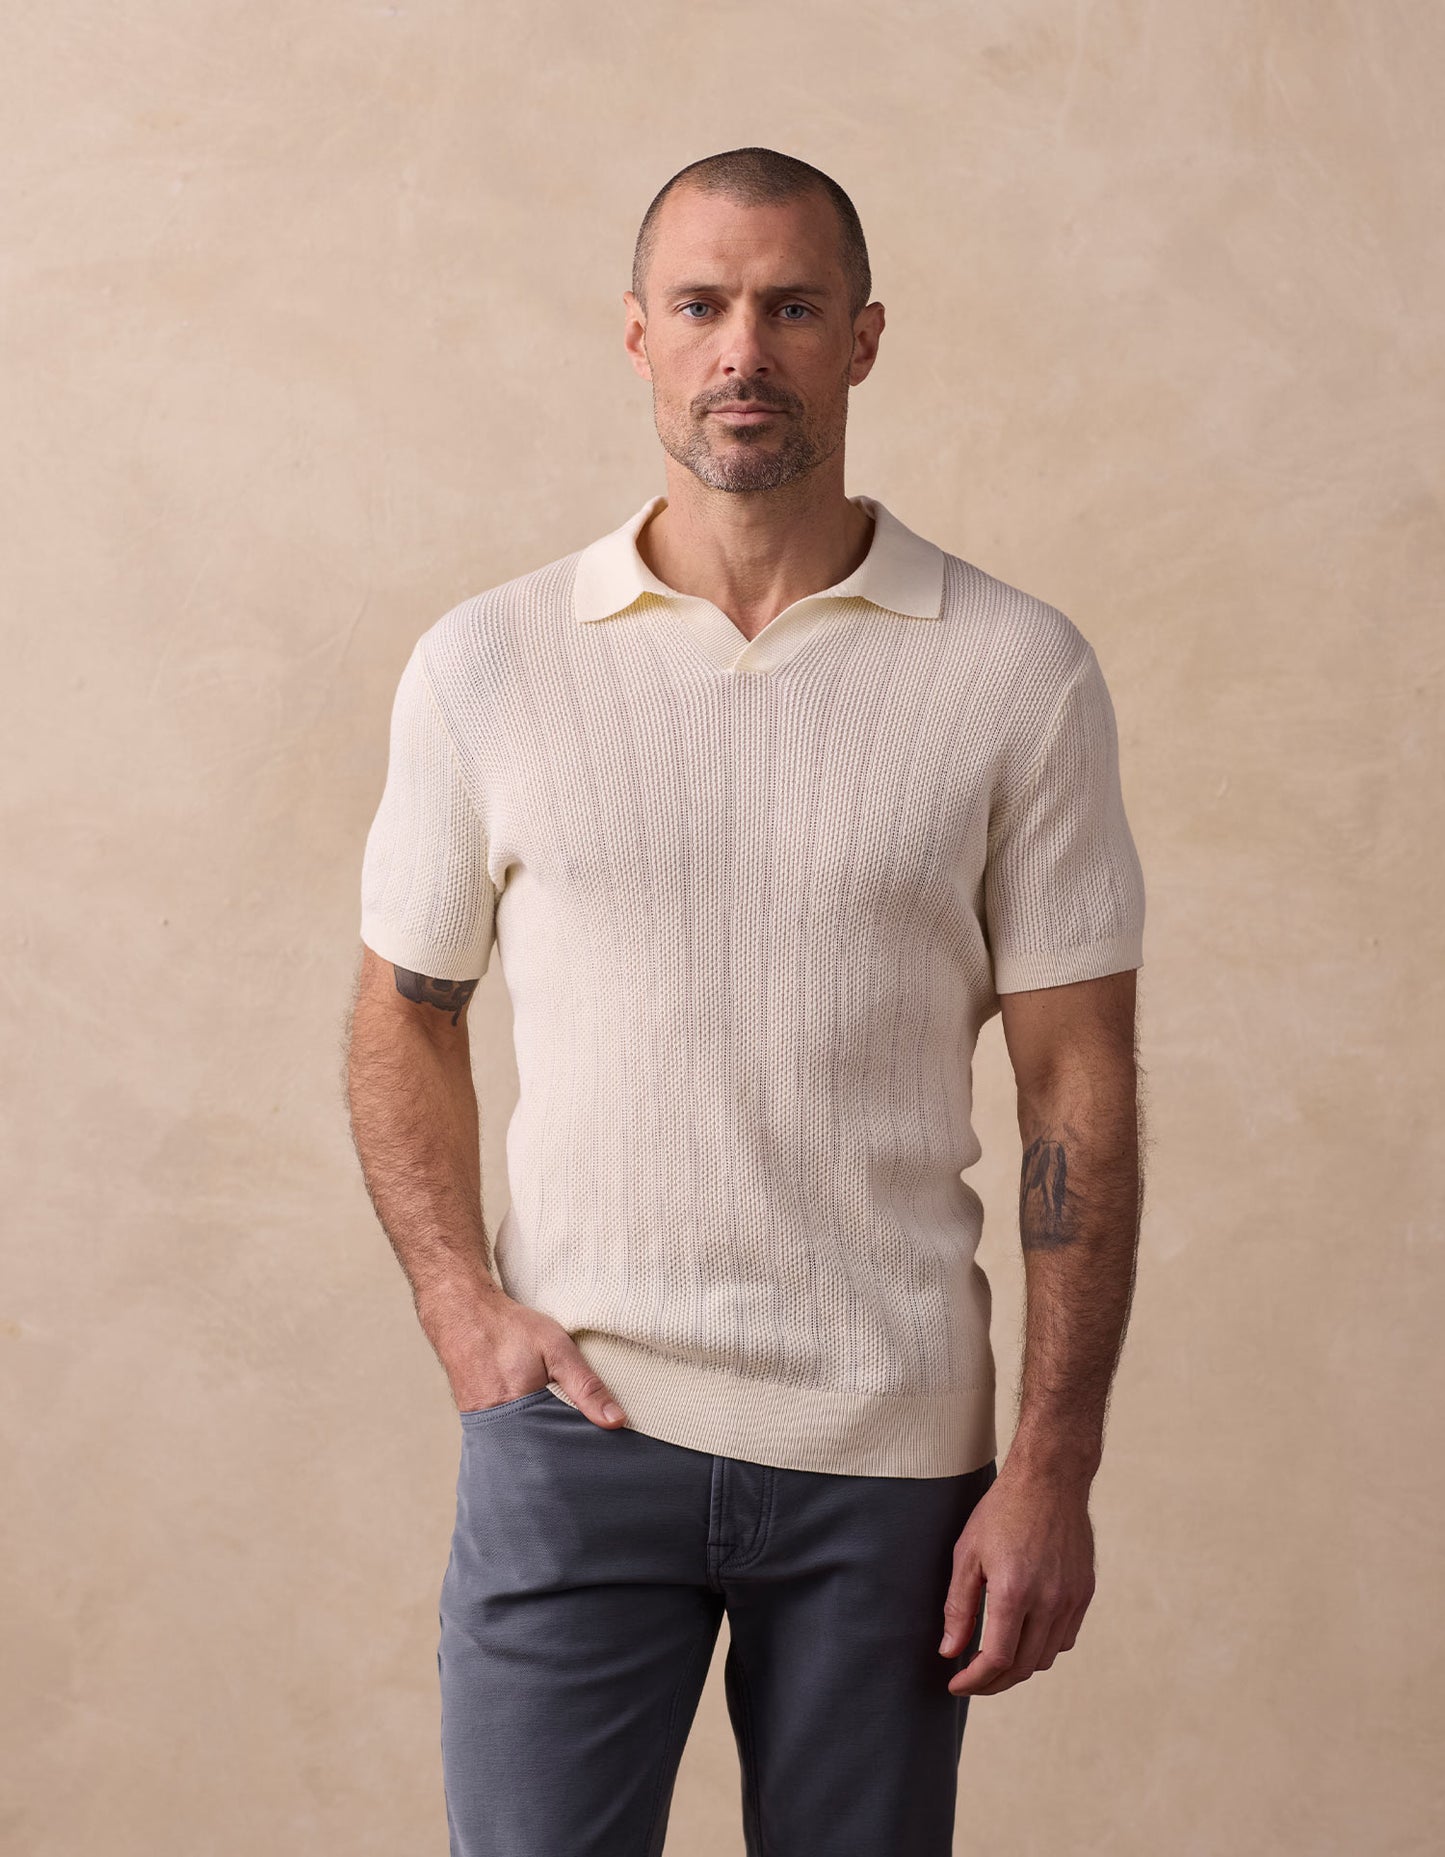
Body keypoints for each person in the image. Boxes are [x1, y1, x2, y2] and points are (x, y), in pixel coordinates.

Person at [345, 144, 1146, 1857]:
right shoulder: (488, 661)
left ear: (862, 339)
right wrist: (459, 1303)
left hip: (889, 1456)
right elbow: (404, 1004)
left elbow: (1076, 1085)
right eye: (701, 304)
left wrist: (1050, 1464)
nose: (742, 350)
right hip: (576, 1438)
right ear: (635, 332)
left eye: (789, 308)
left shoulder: (1015, 671)